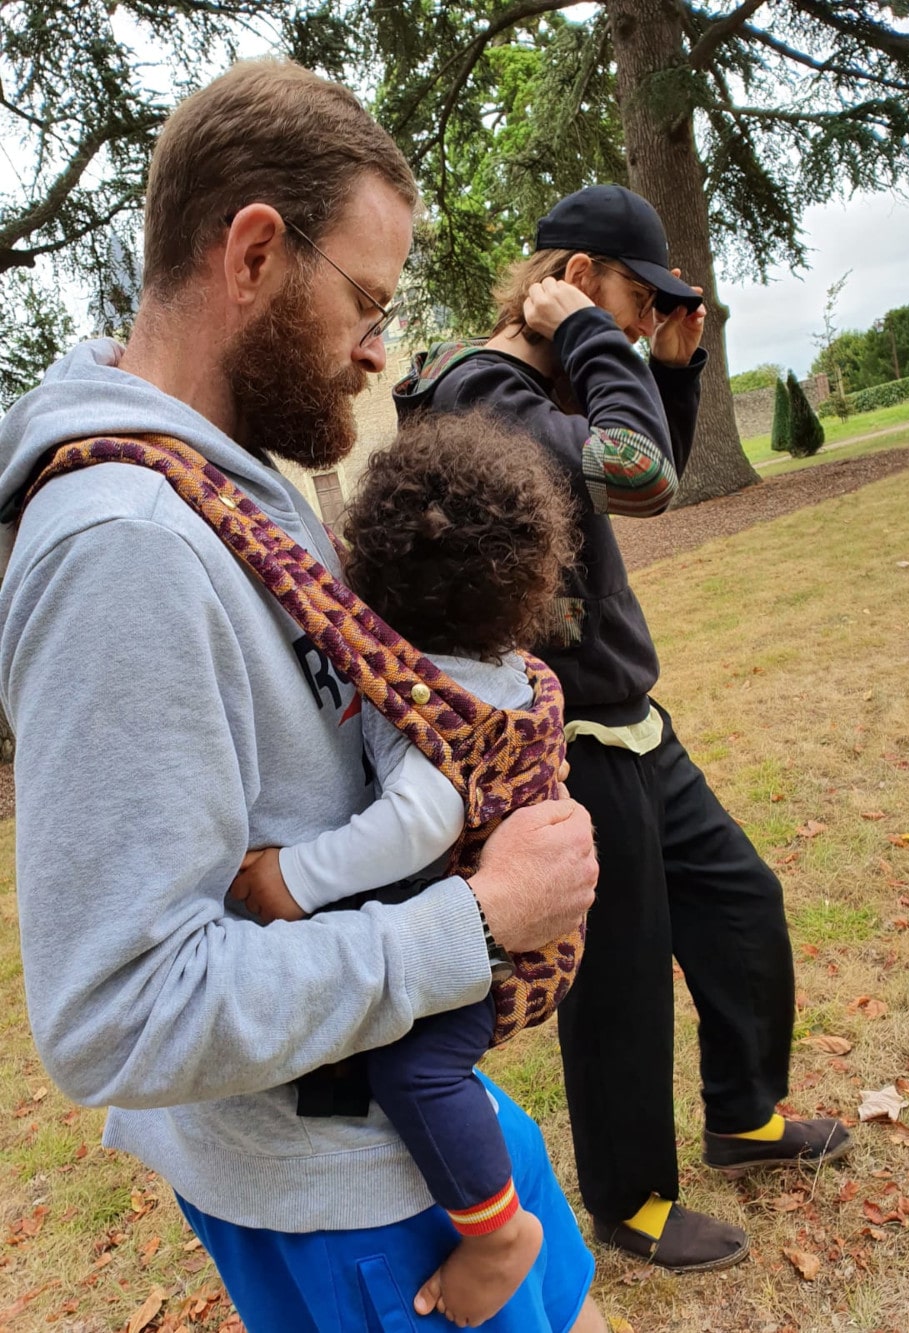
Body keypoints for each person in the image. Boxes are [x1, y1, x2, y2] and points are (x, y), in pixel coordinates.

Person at [0, 62, 606, 1333]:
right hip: (346, 1207)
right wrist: (480, 919)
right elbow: (117, 1012)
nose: (380, 347)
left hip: (396, 1125)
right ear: (257, 254)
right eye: (367, 303)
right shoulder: (122, 544)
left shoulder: (232, 483)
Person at [392, 183, 852, 1274]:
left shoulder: (542, 387)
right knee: (624, 973)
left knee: (741, 901)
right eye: (637, 300)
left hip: (629, 716)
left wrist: (674, 370)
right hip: (564, 737)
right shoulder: (481, 391)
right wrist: (598, 335)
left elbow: (642, 483)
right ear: (575, 276)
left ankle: (743, 1118)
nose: (641, 325)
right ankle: (632, 1201)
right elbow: (633, 469)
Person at [229, 410, 581, 1326]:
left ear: (370, 565)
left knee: (419, 1074)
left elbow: (424, 819)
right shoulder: (505, 669)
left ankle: (498, 1231)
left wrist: (291, 879)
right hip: (520, 914)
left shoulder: (422, 692)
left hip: (478, 927)